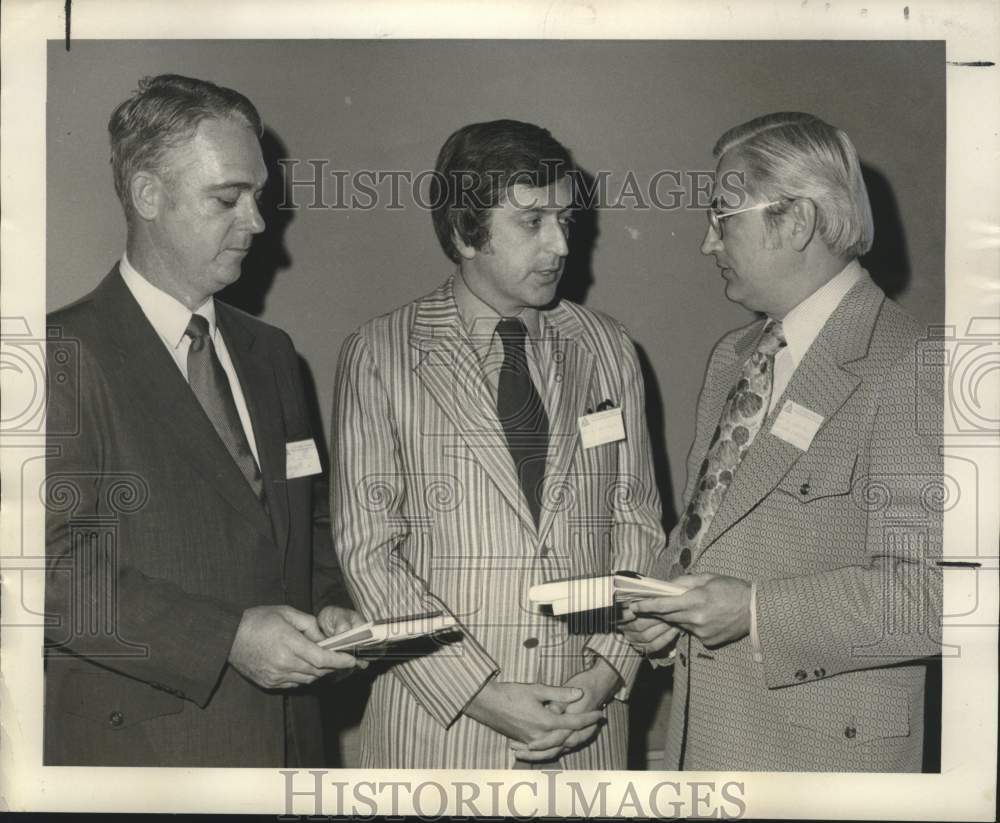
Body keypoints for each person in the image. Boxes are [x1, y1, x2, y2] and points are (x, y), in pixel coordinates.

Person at [44, 74, 364, 767]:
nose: (256, 222)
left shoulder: (273, 354)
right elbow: (51, 572)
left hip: (288, 748)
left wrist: (335, 603)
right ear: (148, 194)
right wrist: (226, 638)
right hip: (149, 758)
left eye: (257, 197)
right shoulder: (59, 355)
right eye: (228, 198)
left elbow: (306, 523)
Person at [329, 119, 666, 768]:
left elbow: (638, 522)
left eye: (565, 219)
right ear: (463, 232)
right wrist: (481, 692)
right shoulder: (382, 353)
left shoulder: (607, 348)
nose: (561, 244)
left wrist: (606, 671)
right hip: (439, 735)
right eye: (532, 221)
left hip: (585, 731)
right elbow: (369, 551)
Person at [620, 112, 943, 772]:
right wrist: (665, 601)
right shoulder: (732, 358)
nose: (708, 242)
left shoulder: (913, 365)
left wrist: (756, 611)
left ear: (795, 221)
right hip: (706, 746)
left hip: (820, 764)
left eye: (723, 217)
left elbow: (936, 597)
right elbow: (712, 530)